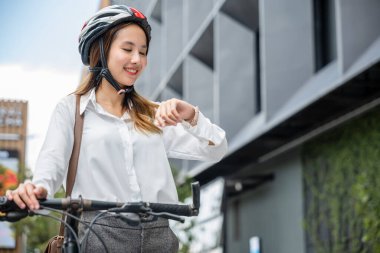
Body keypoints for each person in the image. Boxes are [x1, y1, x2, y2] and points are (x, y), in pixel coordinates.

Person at [6, 5, 227, 252]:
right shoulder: (72, 109)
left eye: (143, 52)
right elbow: (51, 167)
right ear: (100, 51)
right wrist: (36, 189)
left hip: (159, 235)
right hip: (99, 234)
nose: (137, 60)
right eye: (127, 49)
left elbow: (215, 149)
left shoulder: (153, 114)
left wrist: (191, 115)